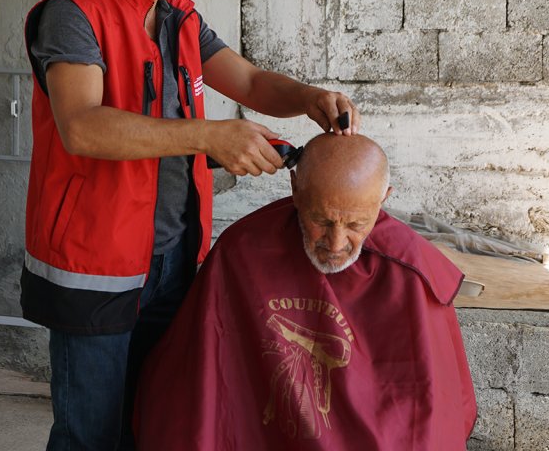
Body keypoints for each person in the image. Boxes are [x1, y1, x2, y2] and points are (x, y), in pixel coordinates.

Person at [22, 0, 359, 451]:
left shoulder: (179, 19)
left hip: (175, 261)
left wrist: (309, 97)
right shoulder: (73, 13)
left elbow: (250, 84)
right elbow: (83, 128)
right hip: (95, 268)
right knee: (90, 438)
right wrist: (210, 136)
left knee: (157, 423)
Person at [134, 133, 477, 450]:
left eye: (357, 224)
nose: (337, 243)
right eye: (322, 221)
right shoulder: (244, 251)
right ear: (295, 188)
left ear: (382, 200)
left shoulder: (410, 270)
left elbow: (430, 413)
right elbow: (198, 392)